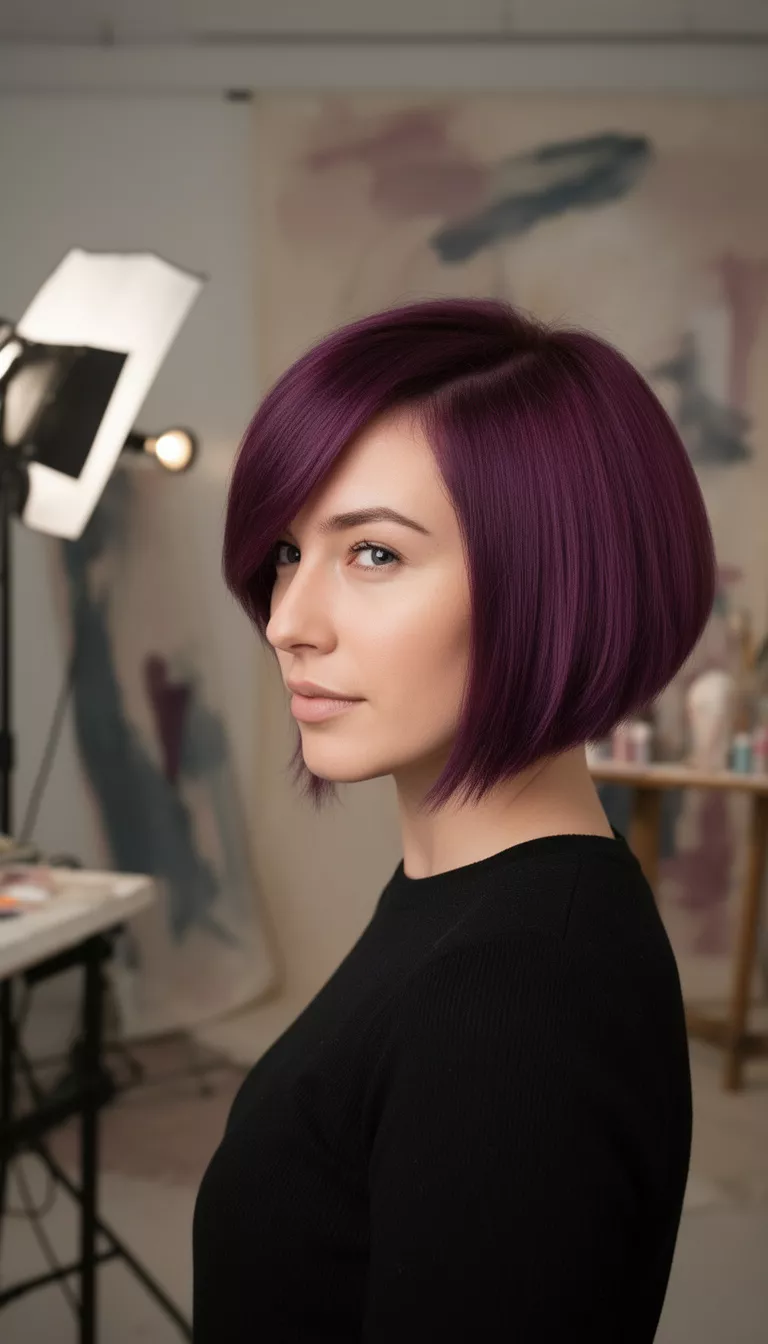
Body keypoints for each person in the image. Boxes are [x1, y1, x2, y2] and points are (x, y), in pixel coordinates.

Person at [193, 298, 716, 1341]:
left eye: (373, 554)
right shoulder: (474, 904)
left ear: (553, 585)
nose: (288, 622)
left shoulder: (519, 997)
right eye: (288, 551)